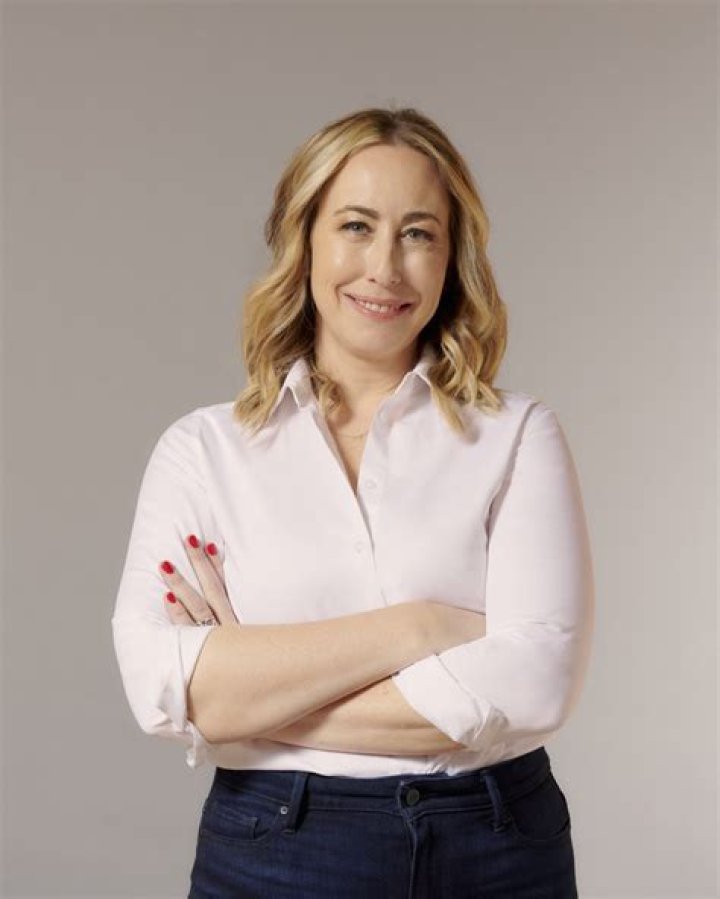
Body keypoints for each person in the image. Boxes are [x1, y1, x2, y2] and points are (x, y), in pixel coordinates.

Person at [111, 106, 595, 898]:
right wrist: (422, 627)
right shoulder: (203, 452)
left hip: (495, 845)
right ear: (303, 239)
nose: (385, 267)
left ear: (451, 258)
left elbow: (537, 681)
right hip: (275, 845)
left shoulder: (516, 433)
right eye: (356, 226)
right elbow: (163, 686)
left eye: (418, 234)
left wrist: (252, 699)